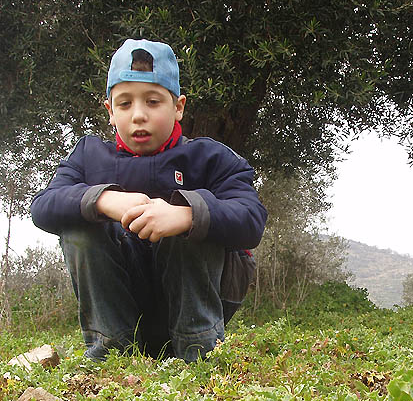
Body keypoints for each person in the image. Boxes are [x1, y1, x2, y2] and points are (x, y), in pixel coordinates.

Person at [31, 38, 267, 362]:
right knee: (78, 225)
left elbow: (251, 219)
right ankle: (111, 355)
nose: (138, 115)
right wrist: (102, 200)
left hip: (197, 302)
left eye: (153, 102)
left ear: (179, 106)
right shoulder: (87, 155)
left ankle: (197, 355)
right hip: (127, 296)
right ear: (110, 111)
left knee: (196, 217)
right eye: (125, 104)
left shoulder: (211, 157)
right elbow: (43, 206)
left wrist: (186, 216)